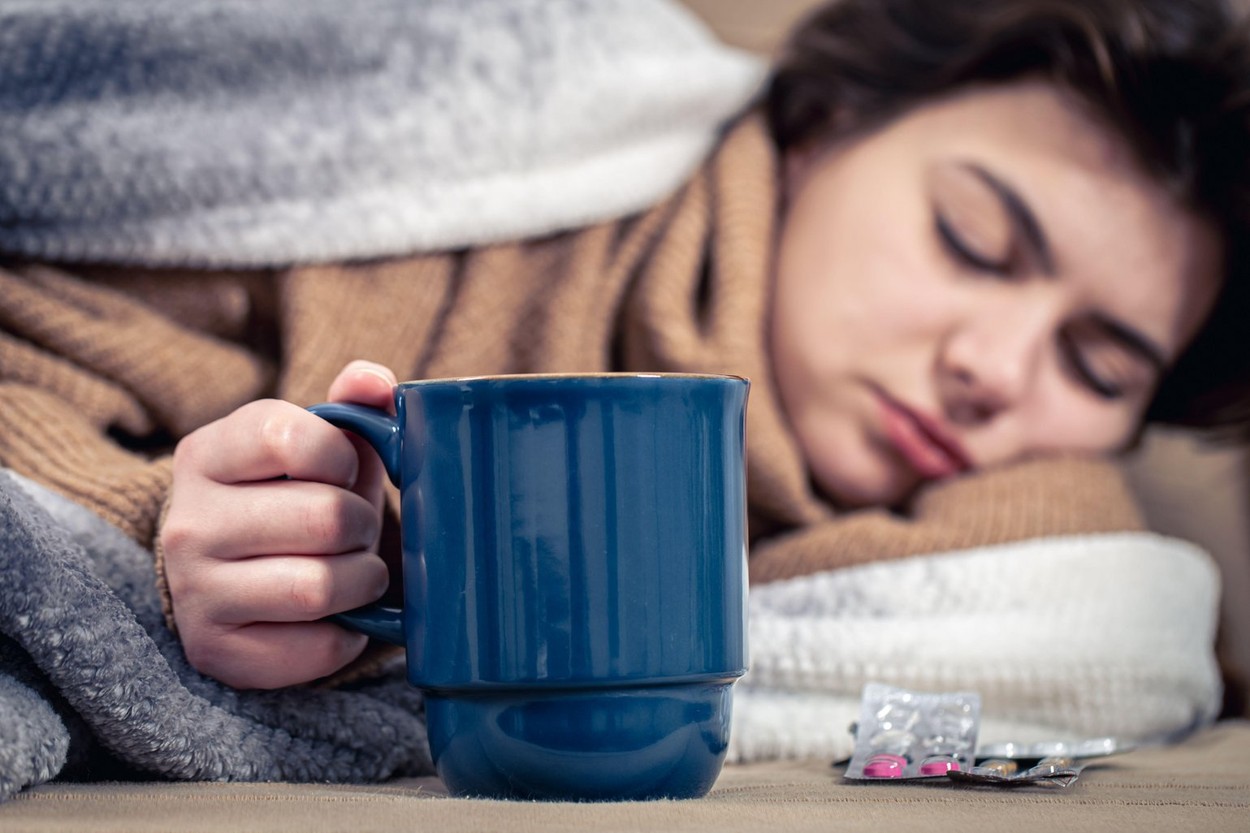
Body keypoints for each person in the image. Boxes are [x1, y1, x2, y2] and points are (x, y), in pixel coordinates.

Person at [3, 0, 1249, 695]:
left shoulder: (966, 503)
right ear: (819, 129)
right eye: (973, 240)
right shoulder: (456, 205)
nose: (996, 368)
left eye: (1098, 369)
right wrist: (153, 516)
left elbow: (1102, 603)